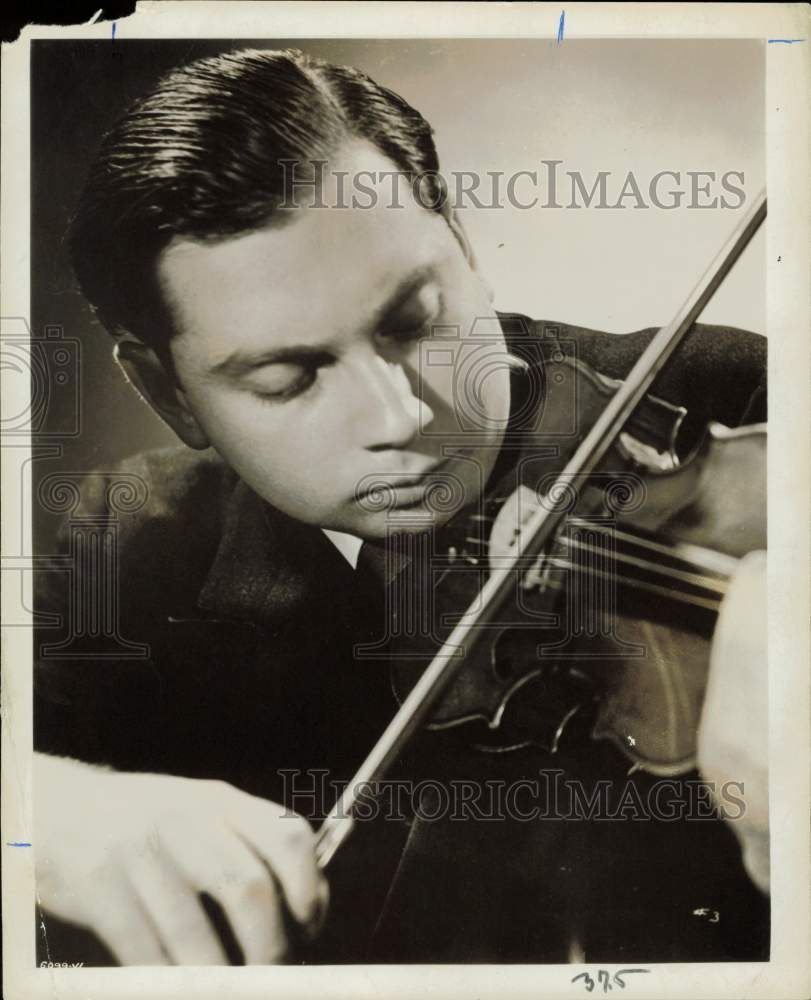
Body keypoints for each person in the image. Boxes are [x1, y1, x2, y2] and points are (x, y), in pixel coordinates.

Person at [33, 47, 769, 967]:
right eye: (289, 377)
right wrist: (43, 809)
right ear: (168, 395)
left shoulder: (741, 405)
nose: (403, 418)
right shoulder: (130, 540)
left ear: (462, 245)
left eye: (414, 321)